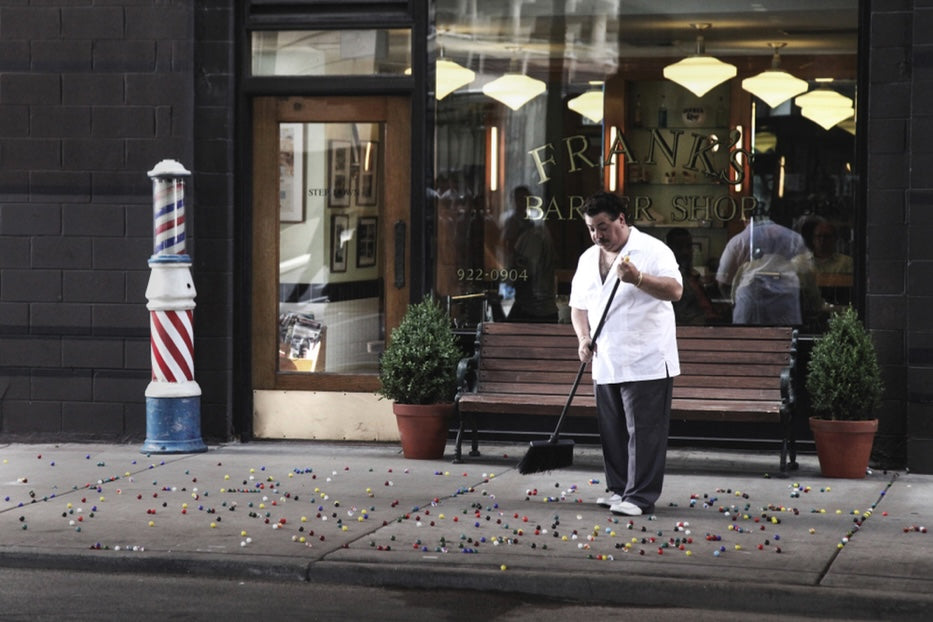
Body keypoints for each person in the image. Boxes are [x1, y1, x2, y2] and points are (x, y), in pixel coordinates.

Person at [569, 192, 683, 517]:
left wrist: (638, 279)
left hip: (646, 357)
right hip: (605, 358)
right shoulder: (588, 258)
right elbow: (578, 306)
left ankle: (640, 497)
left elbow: (675, 290)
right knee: (613, 432)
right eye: (591, 228)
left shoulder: (652, 249)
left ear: (621, 219)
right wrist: (583, 338)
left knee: (644, 432)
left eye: (603, 227)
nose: (597, 235)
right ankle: (619, 489)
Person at [716, 203, 818, 325]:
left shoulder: (738, 241)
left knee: (748, 336)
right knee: (784, 336)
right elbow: (808, 273)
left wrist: (732, 302)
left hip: (748, 305)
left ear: (746, 219)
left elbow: (723, 282)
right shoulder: (794, 238)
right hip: (785, 303)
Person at [665, 228, 720, 325]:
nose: (685, 252)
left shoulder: (692, 275)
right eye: (679, 247)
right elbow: (683, 317)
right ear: (669, 250)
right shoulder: (670, 279)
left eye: (689, 246)